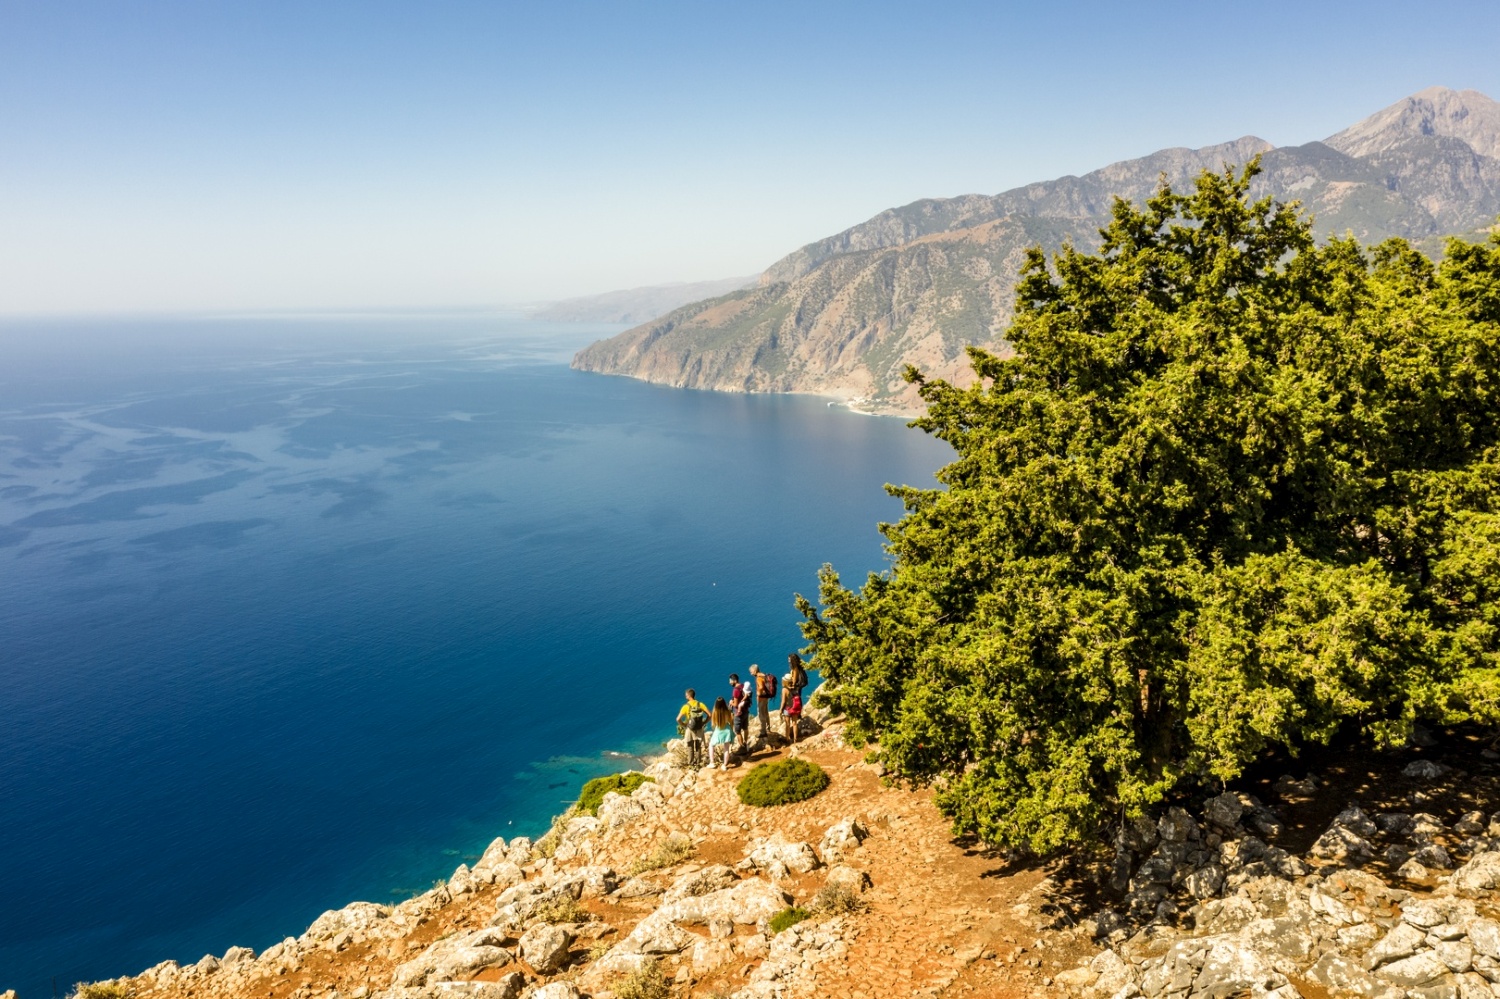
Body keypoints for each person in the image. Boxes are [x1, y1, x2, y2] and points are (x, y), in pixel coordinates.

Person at [677, 688, 710, 767]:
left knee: (690, 747)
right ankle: (699, 763)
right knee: (698, 747)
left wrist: (684, 725)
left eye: (686, 695)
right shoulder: (700, 704)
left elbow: (678, 719)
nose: (685, 697)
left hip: (690, 728)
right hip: (699, 728)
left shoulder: (685, 706)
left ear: (688, 696)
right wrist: (704, 722)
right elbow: (710, 715)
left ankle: (691, 764)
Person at [751, 664, 776, 744]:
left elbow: (761, 687)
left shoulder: (758, 678)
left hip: (761, 699)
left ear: (755, 671)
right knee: (766, 713)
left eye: (751, 671)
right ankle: (768, 728)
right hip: (766, 697)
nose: (751, 673)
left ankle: (763, 732)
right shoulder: (764, 675)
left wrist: (758, 693)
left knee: (761, 715)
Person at [708, 697, 736, 770]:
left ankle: (712, 763)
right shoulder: (728, 711)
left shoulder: (714, 712)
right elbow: (731, 721)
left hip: (718, 729)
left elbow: (713, 724)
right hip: (727, 730)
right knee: (726, 748)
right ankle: (724, 765)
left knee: (711, 745)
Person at [729, 673, 752, 752]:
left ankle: (742, 747)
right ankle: (746, 743)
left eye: (731, 681)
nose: (730, 682)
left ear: (735, 681)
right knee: (745, 728)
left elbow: (735, 704)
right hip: (746, 711)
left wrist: (731, 702)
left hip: (738, 714)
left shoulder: (735, 690)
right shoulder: (742, 686)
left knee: (737, 731)